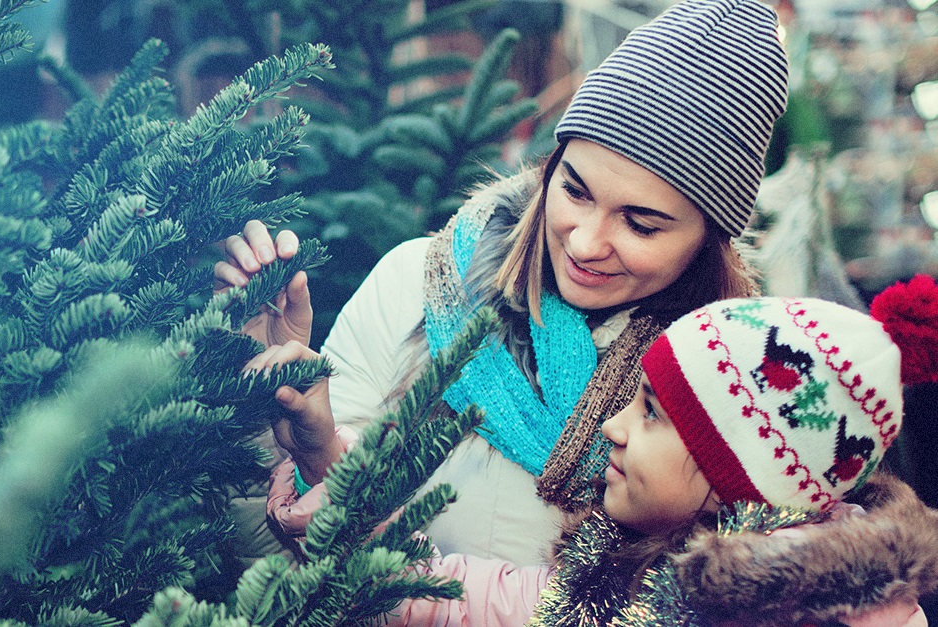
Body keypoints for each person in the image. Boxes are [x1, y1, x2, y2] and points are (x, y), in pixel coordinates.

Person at [218, 0, 789, 562]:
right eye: (575, 191)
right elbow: (276, 566)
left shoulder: (736, 396)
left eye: (640, 224)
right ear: (551, 165)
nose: (586, 243)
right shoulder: (416, 284)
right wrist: (266, 413)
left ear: (708, 240)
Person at [259, 278, 938, 626]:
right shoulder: (608, 581)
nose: (611, 426)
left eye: (650, 413)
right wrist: (323, 453)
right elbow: (424, 595)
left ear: (738, 474)